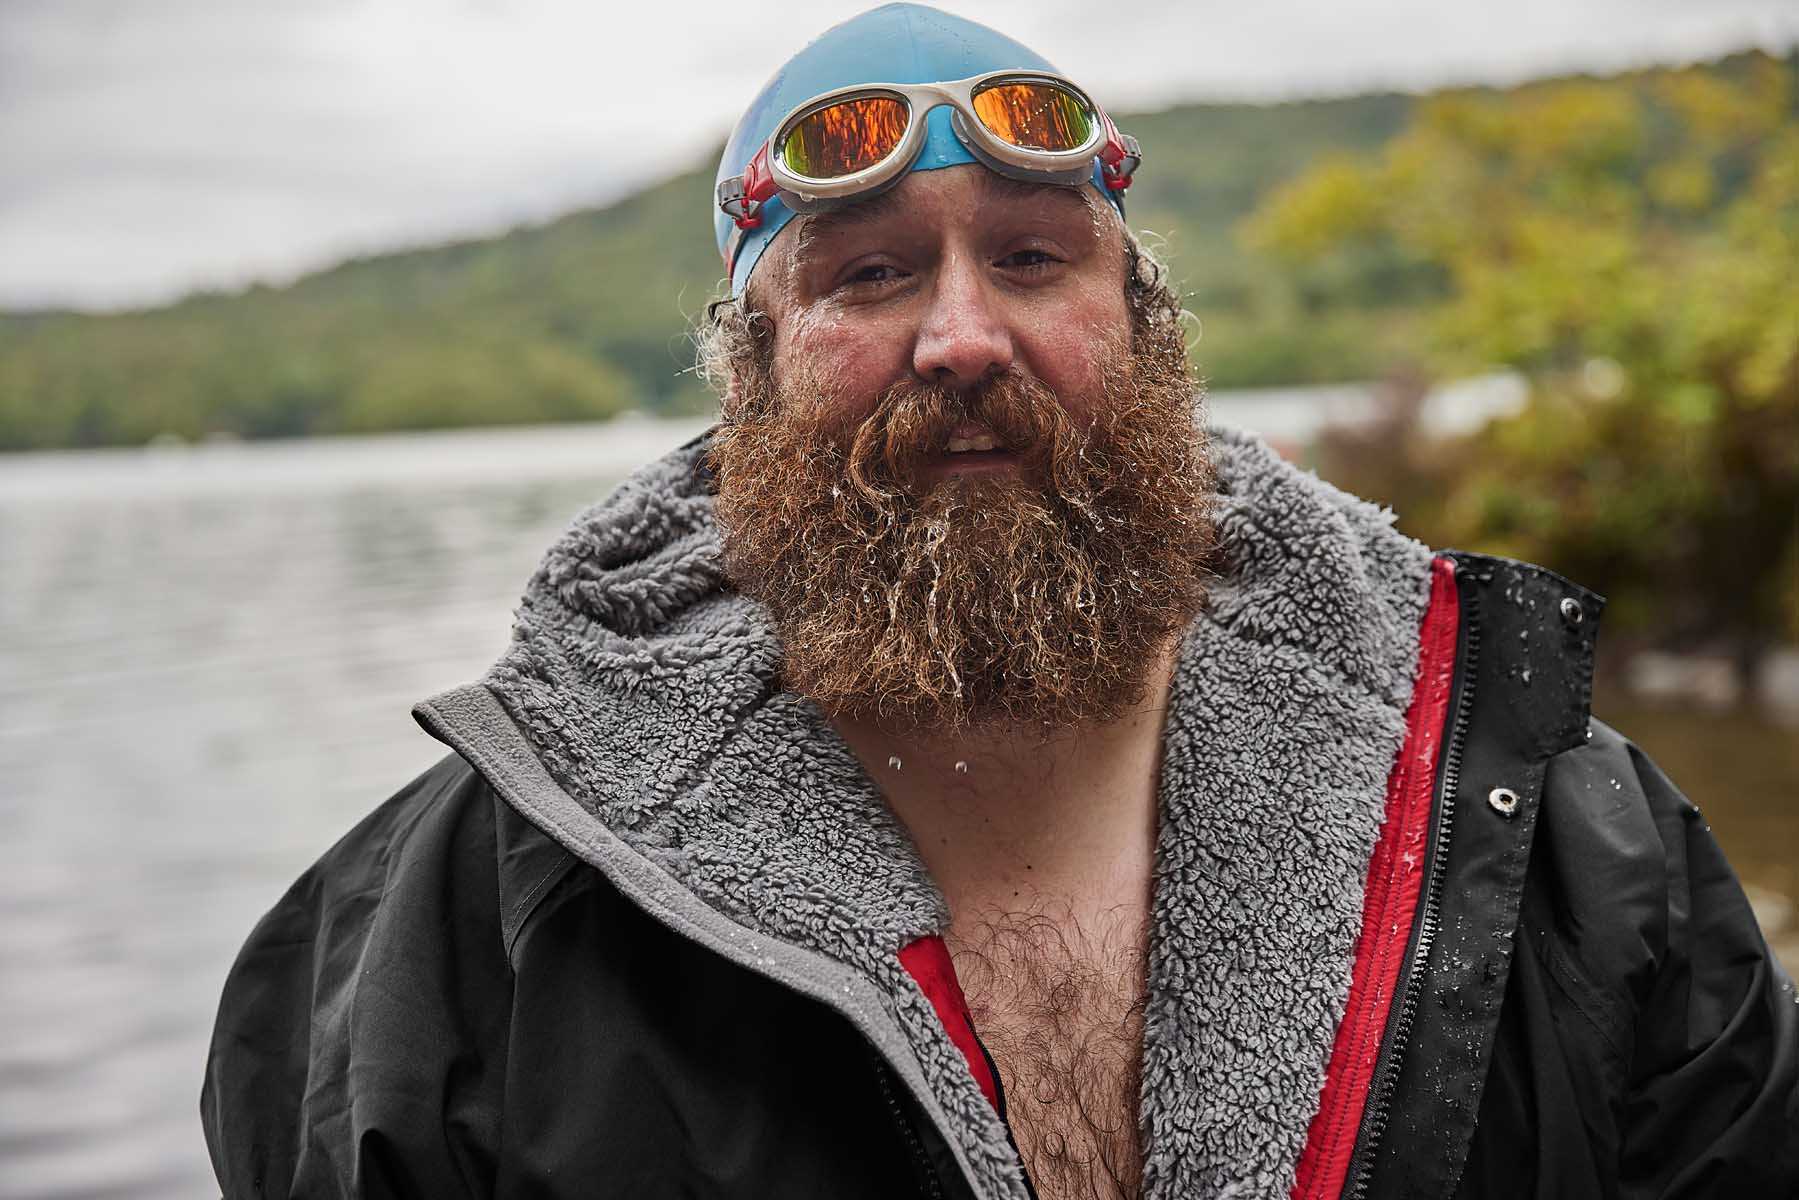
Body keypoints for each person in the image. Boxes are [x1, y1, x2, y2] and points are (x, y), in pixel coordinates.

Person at [201, 6, 1799, 1198]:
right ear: (747, 367)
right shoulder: (465, 932)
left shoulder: (1561, 836)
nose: (963, 335)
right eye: (868, 275)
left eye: (1034, 257)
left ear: (1145, 330)